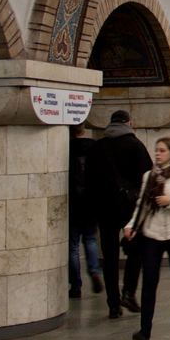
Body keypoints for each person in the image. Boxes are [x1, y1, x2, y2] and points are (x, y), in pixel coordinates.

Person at [124, 137, 170, 340]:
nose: (157, 154)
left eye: (162, 150)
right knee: (149, 280)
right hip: (152, 235)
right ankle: (145, 330)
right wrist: (131, 225)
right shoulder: (149, 176)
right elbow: (141, 206)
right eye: (156, 150)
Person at [85, 109, 152, 318]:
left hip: (104, 209)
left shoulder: (97, 147)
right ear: (128, 123)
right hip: (130, 207)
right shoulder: (135, 145)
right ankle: (129, 292)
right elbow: (147, 178)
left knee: (110, 256)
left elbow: (88, 180)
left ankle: (113, 304)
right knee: (136, 248)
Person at [67, 124, 102, 299]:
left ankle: (76, 286)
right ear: (84, 130)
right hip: (91, 202)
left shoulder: (66, 149)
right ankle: (94, 270)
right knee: (90, 239)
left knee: (73, 245)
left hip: (73, 203)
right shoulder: (95, 148)